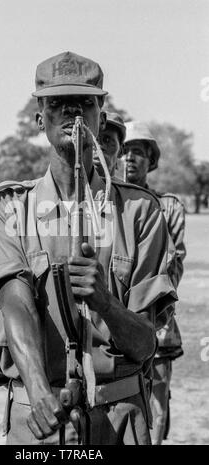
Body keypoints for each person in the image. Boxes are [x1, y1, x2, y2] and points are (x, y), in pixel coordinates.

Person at [0, 51, 177, 445]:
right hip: (38, 420)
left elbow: (144, 345)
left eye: (85, 104)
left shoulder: (141, 212)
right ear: (40, 119)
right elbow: (15, 301)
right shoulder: (9, 208)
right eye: (57, 105)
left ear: (101, 118)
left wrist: (106, 303)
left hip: (119, 420)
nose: (72, 115)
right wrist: (38, 390)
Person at [123, 121, 186, 445]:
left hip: (158, 324)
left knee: (158, 402)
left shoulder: (169, 207)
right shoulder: (107, 205)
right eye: (124, 151)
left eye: (138, 153)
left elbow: (172, 268)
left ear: (151, 160)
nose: (130, 159)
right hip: (116, 323)